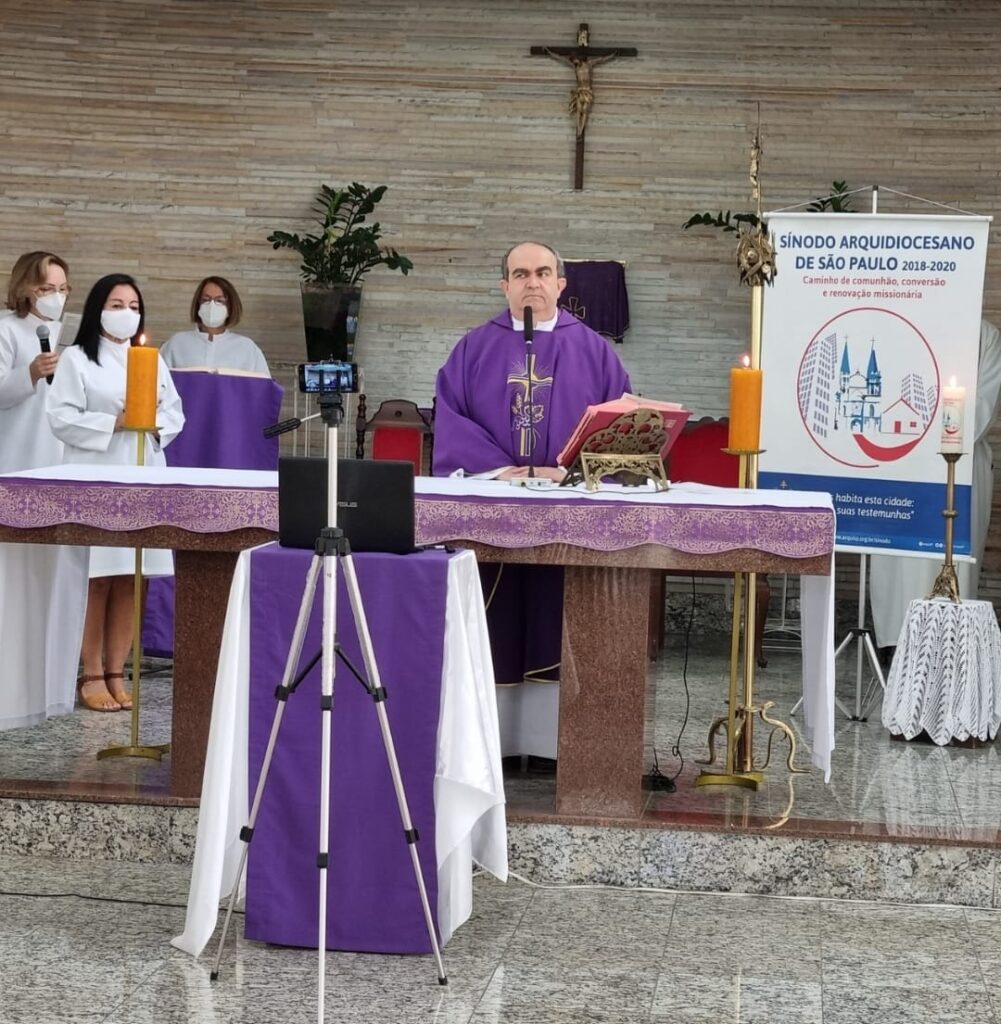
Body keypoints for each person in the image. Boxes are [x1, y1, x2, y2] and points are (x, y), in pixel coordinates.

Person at [434, 241, 631, 690]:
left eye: (542, 273)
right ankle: (494, 736)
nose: (532, 282)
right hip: (493, 506)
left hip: (570, 507)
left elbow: (619, 422)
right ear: (505, 286)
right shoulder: (473, 348)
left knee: (555, 611)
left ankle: (551, 740)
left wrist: (571, 471)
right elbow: (450, 417)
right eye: (520, 274)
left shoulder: (595, 351)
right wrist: (503, 471)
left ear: (560, 284)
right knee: (495, 617)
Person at [47, 274, 185, 712]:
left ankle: (116, 671)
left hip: (143, 472)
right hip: (96, 475)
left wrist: (151, 423)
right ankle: (89, 673)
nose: (126, 312)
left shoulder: (150, 358)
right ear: (97, 308)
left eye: (132, 305)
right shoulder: (76, 359)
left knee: (131, 578)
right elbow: (61, 416)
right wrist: (114, 423)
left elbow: (174, 412)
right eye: (116, 303)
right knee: (98, 576)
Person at [870, 319, 1001, 651]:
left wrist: (931, 435)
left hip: (959, 468)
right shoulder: (902, 328)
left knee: (952, 559)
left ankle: (951, 652)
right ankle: (897, 647)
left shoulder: (984, 335)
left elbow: (981, 409)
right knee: (899, 563)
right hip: (901, 464)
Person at [0, 251, 70, 472]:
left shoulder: (67, 333)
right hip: (17, 447)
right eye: (47, 289)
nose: (57, 297)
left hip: (61, 448)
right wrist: (30, 373)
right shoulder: (7, 329)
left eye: (62, 289)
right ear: (24, 288)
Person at [160, 276, 269, 374]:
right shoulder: (176, 344)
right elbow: (157, 383)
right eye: (206, 300)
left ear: (230, 307)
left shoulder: (247, 348)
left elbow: (263, 390)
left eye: (219, 300)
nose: (212, 305)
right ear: (198, 304)